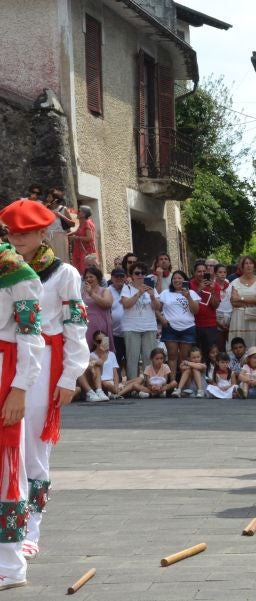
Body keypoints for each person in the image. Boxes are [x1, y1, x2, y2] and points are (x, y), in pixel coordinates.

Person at [1, 199, 90, 566]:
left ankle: (30, 530)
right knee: (11, 449)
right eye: (12, 233)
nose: (17, 239)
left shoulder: (64, 273)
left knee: (35, 450)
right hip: (12, 359)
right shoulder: (7, 268)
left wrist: (70, 375)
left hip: (47, 361)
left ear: (43, 233)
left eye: (25, 233)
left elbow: (76, 325)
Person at [0, 223, 44, 588]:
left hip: (5, 371)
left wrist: (20, 388)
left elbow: (31, 333)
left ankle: (11, 565)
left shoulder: (17, 272)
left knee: (6, 470)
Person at [120, 262, 161, 380]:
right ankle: (133, 384)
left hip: (149, 327)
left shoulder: (151, 288)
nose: (140, 275)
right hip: (131, 327)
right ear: (131, 275)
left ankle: (150, 383)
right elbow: (126, 304)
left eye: (143, 273)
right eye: (137, 273)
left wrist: (152, 295)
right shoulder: (127, 288)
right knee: (132, 358)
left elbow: (157, 307)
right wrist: (139, 293)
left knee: (149, 357)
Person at [157, 270, 200, 380]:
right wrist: (162, 319)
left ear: (185, 280)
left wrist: (188, 296)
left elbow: (196, 311)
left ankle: (184, 383)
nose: (177, 280)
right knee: (172, 355)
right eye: (174, 278)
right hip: (170, 328)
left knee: (185, 357)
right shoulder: (166, 293)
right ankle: (173, 381)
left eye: (180, 278)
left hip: (188, 328)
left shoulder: (192, 293)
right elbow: (156, 308)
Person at [188, 261, 221, 360]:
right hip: (194, 324)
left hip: (210, 324)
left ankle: (210, 369)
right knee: (195, 354)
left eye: (204, 271)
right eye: (199, 271)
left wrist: (213, 291)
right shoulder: (190, 285)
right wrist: (198, 290)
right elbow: (187, 301)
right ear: (194, 273)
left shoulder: (215, 286)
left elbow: (215, 306)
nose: (202, 274)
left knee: (210, 353)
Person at [229, 256, 256, 344]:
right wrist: (252, 302)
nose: (248, 265)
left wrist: (240, 298)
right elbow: (233, 302)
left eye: (251, 263)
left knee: (253, 342)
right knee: (238, 343)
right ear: (242, 266)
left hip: (253, 317)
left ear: (254, 266)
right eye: (246, 263)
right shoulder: (235, 282)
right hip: (238, 318)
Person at [82, 266, 114, 354]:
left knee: (104, 352)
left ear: (98, 278)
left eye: (91, 277)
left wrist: (91, 294)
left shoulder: (105, 291)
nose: (88, 279)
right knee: (88, 353)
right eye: (86, 277)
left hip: (102, 329)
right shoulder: (83, 294)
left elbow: (107, 304)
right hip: (87, 329)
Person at [83, 333, 122, 401]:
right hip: (99, 381)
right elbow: (95, 367)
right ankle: (104, 392)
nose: (101, 343)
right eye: (99, 341)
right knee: (105, 383)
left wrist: (116, 386)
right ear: (95, 342)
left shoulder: (111, 354)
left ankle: (115, 392)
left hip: (110, 381)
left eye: (104, 340)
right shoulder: (91, 355)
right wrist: (102, 354)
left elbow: (115, 374)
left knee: (138, 380)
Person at [107, 267, 128, 373]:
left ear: (125, 277)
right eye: (116, 276)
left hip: (129, 332)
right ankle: (117, 381)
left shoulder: (129, 289)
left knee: (131, 360)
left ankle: (132, 381)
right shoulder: (107, 291)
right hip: (113, 333)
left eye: (121, 276)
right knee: (116, 360)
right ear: (112, 278)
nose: (119, 278)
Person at [68, 205, 97, 274]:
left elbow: (89, 238)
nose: (77, 212)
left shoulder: (87, 223)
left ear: (84, 214)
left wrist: (76, 238)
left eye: (79, 211)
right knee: (78, 270)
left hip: (86, 250)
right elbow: (77, 232)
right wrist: (66, 235)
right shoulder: (82, 223)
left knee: (84, 270)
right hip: (79, 250)